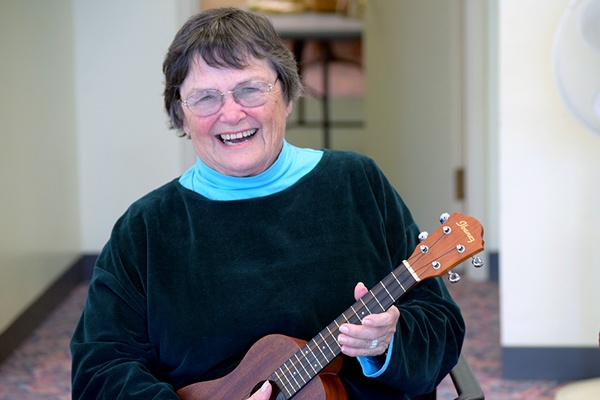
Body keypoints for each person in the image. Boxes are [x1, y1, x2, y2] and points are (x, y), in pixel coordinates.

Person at [70, 7, 465, 400]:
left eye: (250, 89)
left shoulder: (357, 184)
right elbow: (100, 366)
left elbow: (440, 324)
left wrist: (389, 343)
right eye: (205, 98)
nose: (231, 113)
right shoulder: (146, 228)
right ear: (181, 115)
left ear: (288, 96)